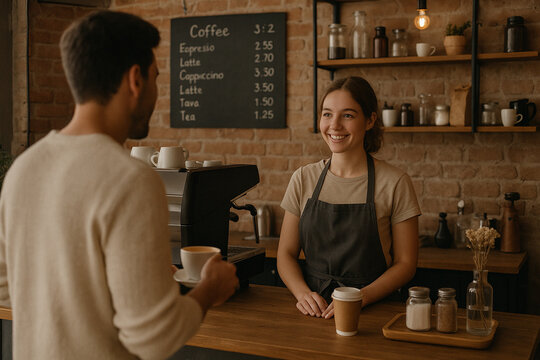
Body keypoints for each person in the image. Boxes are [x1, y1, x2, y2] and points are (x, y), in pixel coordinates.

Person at [0, 11, 238, 359]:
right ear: (135, 80)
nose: (157, 92)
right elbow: (154, 339)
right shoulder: (132, 180)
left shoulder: (23, 169)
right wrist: (210, 288)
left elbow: (7, 290)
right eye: (156, 77)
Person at [277, 76, 420, 319]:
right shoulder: (303, 178)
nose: (335, 125)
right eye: (327, 114)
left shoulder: (395, 182)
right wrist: (302, 294)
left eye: (348, 115)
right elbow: (286, 254)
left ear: (370, 120)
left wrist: (362, 296)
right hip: (314, 310)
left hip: (374, 310)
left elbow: (406, 263)